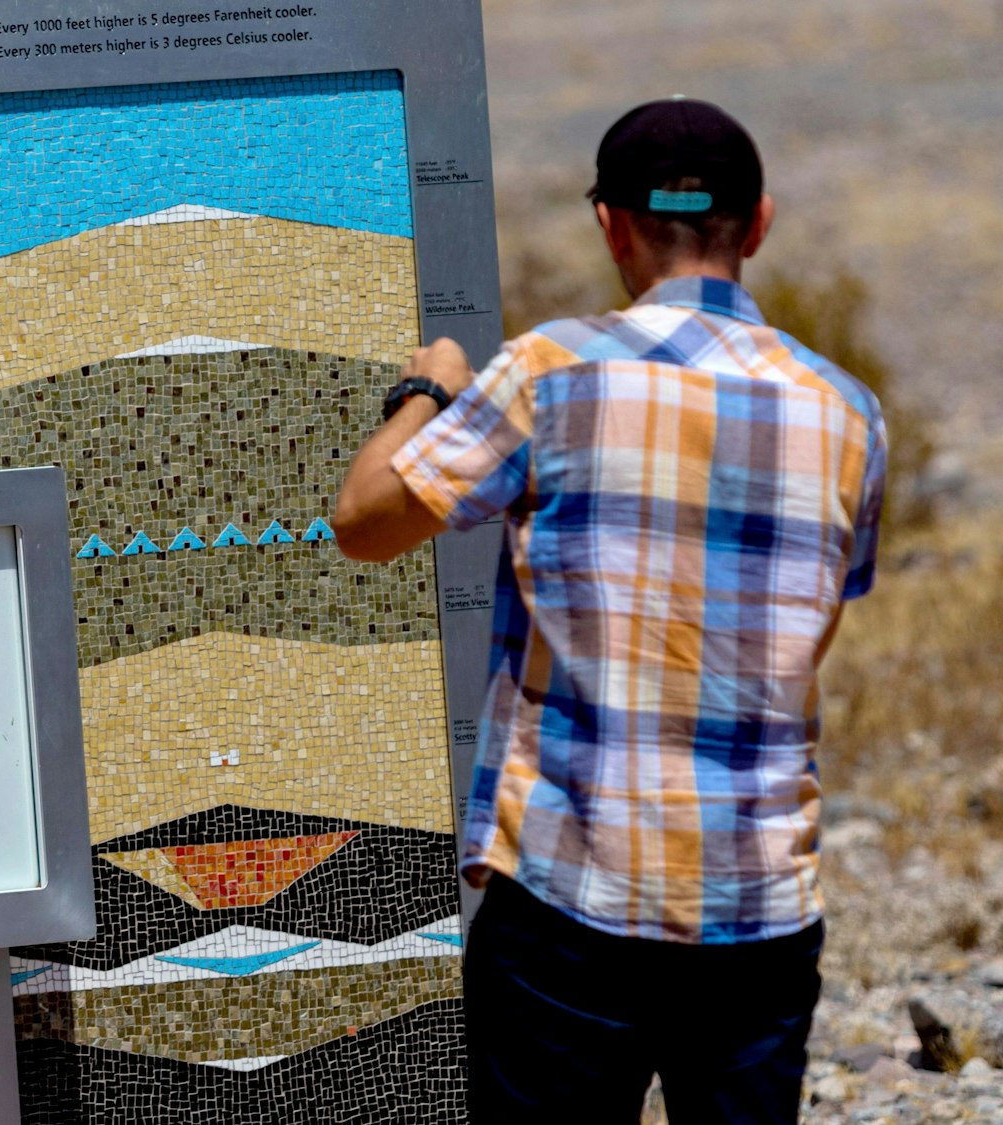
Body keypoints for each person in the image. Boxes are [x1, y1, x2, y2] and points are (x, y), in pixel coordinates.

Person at [332, 99, 886, 1122]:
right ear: (756, 224)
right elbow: (807, 636)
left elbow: (364, 519)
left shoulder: (549, 373)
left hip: (567, 895)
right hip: (755, 906)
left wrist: (424, 389)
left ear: (609, 226)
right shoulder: (847, 411)